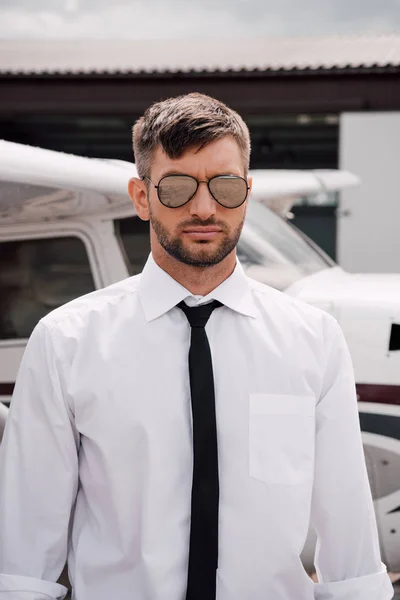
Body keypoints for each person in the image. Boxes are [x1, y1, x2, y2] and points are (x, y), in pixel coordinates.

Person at [0, 93, 394, 600]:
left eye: (225, 187)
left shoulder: (315, 340)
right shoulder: (64, 343)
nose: (204, 208)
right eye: (178, 187)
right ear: (141, 197)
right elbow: (23, 563)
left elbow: (351, 548)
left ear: (247, 193)